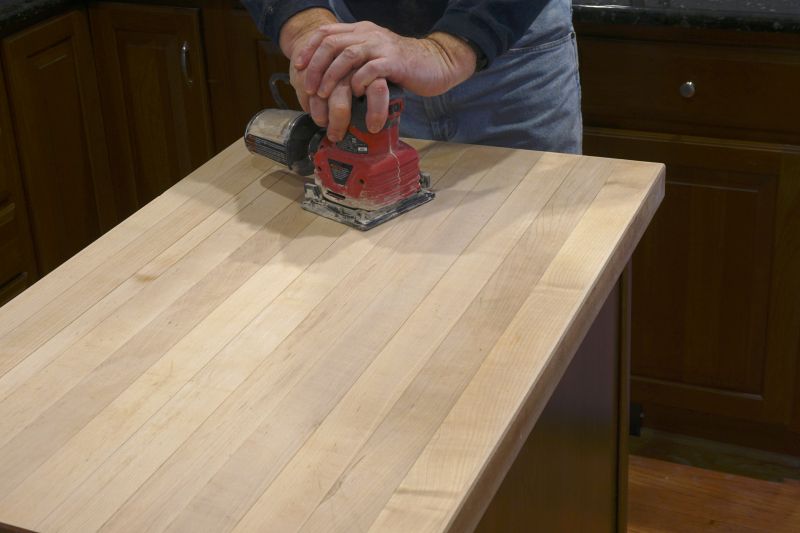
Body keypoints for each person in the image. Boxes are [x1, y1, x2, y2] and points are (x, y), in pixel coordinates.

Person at [242, 0, 582, 154]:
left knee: (532, 261)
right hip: (358, 39)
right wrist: (306, 26)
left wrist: (455, 48)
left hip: (511, 46)